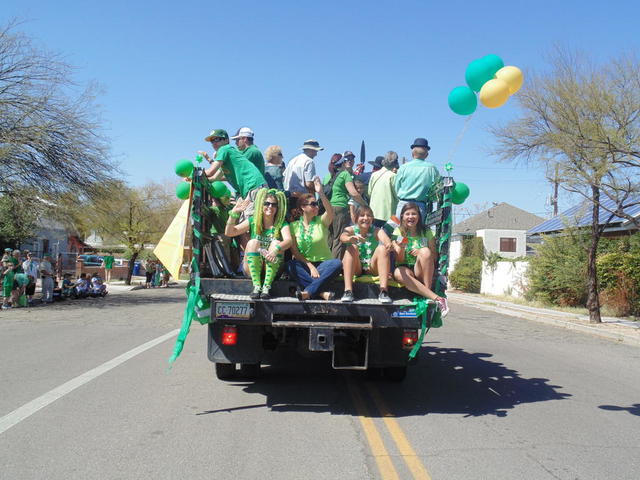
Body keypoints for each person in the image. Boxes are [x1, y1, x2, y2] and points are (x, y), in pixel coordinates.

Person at [225, 188, 292, 299]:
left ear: (277, 208)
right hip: (251, 269)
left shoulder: (281, 223)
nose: (270, 207)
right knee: (253, 242)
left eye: (274, 205)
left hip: (272, 268)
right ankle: (256, 286)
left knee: (276, 242)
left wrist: (275, 250)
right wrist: (234, 214)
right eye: (267, 203)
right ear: (261, 205)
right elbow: (229, 232)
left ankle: (266, 287)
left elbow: (289, 241)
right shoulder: (253, 221)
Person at [288, 177, 342, 301]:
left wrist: (320, 193)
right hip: (306, 265)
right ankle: (322, 293)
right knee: (291, 265)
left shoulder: (321, 222)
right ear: (302, 207)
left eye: (316, 204)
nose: (316, 207)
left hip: (324, 264)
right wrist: (310, 266)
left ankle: (308, 292)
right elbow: (295, 252)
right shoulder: (294, 226)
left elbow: (330, 211)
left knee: (337, 263)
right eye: (313, 204)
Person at [391, 203, 449, 316]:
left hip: (421, 269)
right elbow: (399, 259)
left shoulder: (427, 232)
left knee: (425, 251)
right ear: (402, 216)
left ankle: (427, 291)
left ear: (419, 216)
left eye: (414, 214)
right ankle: (436, 298)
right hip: (405, 267)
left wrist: (420, 252)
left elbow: (434, 256)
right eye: (407, 214)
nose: (410, 217)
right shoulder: (398, 232)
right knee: (398, 273)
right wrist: (401, 248)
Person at [201, 129, 267, 220]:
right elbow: (214, 177)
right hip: (248, 189)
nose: (214, 143)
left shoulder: (225, 149)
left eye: (217, 139)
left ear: (226, 140)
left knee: (249, 224)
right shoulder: (228, 155)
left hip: (253, 186)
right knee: (241, 222)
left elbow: (210, 172)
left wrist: (193, 174)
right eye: (212, 141)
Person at [340, 205, 393, 304]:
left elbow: (386, 240)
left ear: (372, 218)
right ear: (356, 218)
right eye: (362, 215)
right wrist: (349, 239)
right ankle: (348, 291)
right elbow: (343, 236)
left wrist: (389, 244)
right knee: (352, 247)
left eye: (369, 215)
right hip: (357, 268)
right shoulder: (350, 229)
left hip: (372, 267)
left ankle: (384, 291)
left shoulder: (376, 230)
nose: (366, 218)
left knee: (382, 248)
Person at [329, 153, 368, 259]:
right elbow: (354, 193)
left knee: (331, 237)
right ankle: (335, 267)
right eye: (347, 159)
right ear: (342, 162)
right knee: (339, 239)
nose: (350, 161)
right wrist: (365, 206)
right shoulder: (345, 174)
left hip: (331, 207)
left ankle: (327, 265)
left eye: (352, 159)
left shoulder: (337, 174)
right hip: (340, 207)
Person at [394, 138, 441, 220]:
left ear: (412, 153)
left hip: (403, 205)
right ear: (427, 155)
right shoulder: (431, 168)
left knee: (398, 231)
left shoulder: (403, 167)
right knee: (418, 232)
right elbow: (437, 188)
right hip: (420, 207)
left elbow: (396, 187)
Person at [368, 151, 400, 225]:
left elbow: (369, 192)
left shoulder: (374, 175)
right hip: (389, 214)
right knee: (387, 235)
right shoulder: (393, 176)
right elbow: (397, 195)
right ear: (395, 162)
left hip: (373, 212)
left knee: (374, 234)